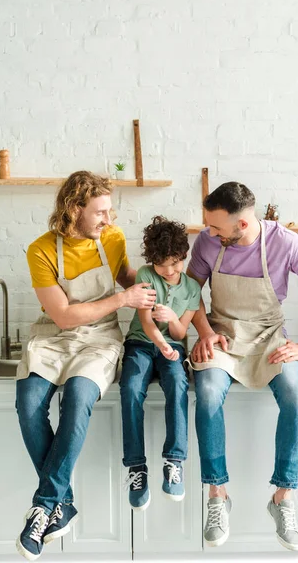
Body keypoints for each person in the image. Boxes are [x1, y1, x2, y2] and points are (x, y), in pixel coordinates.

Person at [186, 181, 298, 550]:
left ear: (242, 224)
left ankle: (283, 498)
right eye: (208, 225)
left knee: (293, 393)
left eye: (217, 227)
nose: (209, 232)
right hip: (222, 335)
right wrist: (205, 332)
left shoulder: (284, 242)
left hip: (269, 337)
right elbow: (189, 294)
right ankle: (217, 494)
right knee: (207, 393)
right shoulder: (208, 242)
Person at [15, 171, 157, 561]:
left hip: (100, 339)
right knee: (28, 404)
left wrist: (158, 288)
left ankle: (45, 506)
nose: (108, 220)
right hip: (55, 336)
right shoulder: (40, 250)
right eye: (100, 212)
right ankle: (65, 501)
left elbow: (127, 278)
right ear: (74, 209)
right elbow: (62, 317)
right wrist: (123, 299)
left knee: (78, 398)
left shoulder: (111, 238)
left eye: (109, 211)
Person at [120, 216, 201, 510]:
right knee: (130, 388)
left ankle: (174, 461)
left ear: (183, 256)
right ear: (152, 261)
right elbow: (144, 321)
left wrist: (172, 322)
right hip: (142, 344)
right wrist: (163, 343)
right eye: (162, 264)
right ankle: (136, 467)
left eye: (175, 262)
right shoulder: (145, 275)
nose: (169, 270)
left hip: (174, 346)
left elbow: (182, 332)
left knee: (179, 384)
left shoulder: (192, 289)